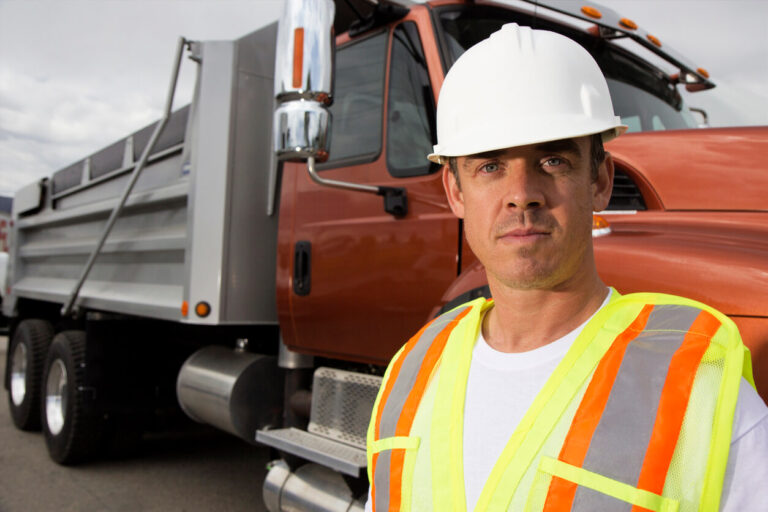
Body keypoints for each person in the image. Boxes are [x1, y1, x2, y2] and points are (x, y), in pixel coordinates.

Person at [365, 23, 768, 512]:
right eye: (490, 166)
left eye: (553, 161)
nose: (522, 194)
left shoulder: (694, 386)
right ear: (454, 191)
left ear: (599, 180)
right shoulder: (411, 369)